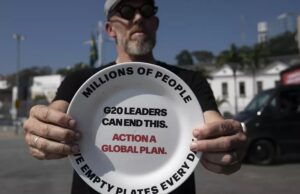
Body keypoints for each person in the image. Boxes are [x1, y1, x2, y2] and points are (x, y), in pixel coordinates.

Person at [23, 0, 247, 193]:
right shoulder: (79, 81)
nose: (139, 17)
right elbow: (53, 115)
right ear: (110, 29)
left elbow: (214, 124)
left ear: (155, 23)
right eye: (127, 11)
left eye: (147, 10)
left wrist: (227, 146)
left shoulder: (190, 81)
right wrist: (41, 131)